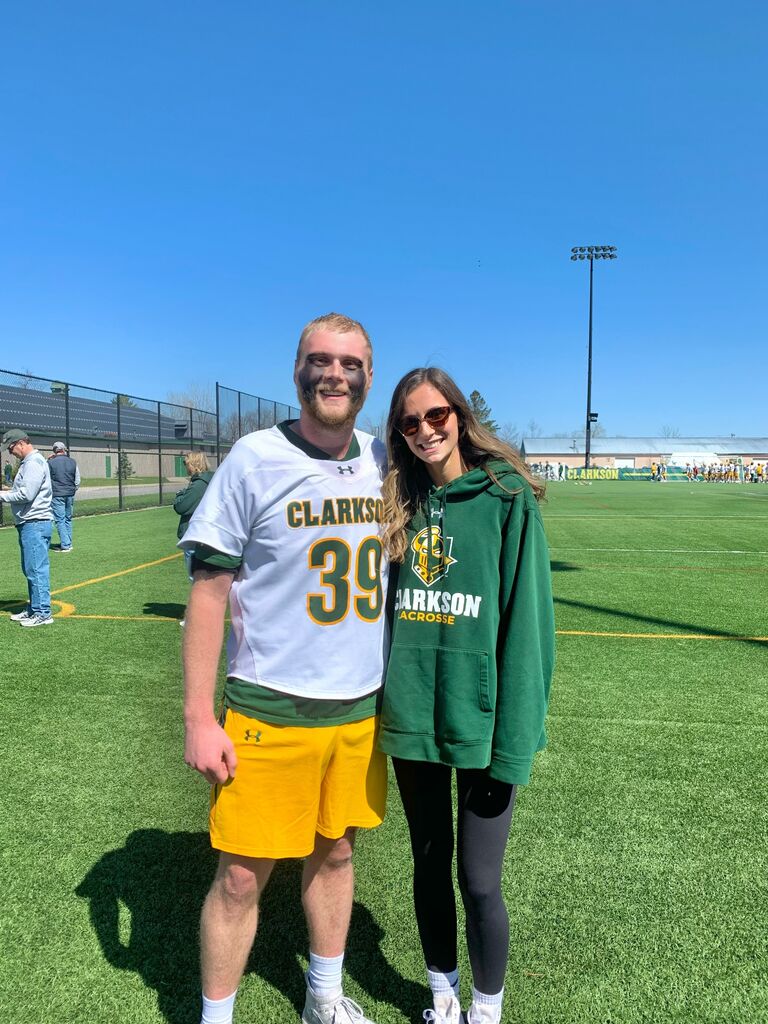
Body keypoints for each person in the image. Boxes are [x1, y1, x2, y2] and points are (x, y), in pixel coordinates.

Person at [180, 313, 389, 1024]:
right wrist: (199, 716)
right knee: (241, 879)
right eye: (320, 361)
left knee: (335, 858)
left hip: (360, 708)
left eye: (351, 363)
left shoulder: (386, 457)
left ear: (369, 375)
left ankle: (323, 997)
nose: (335, 374)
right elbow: (208, 590)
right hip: (270, 708)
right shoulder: (253, 457)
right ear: (297, 370)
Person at [378, 368, 555, 1024]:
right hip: (412, 717)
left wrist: (515, 744)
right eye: (409, 422)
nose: (425, 430)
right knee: (429, 864)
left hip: (483, 724)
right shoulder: (397, 501)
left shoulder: (508, 499)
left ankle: (486, 1011)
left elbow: (530, 632)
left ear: (459, 415)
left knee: (479, 881)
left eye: (435, 415)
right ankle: (444, 997)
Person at [0, 428, 55, 627]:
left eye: (11, 447)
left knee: (36, 569)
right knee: (31, 569)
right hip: (30, 523)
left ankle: (43, 613)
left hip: (35, 523)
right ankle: (35, 608)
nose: (10, 452)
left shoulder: (33, 463)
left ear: (22, 443)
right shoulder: (30, 462)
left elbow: (26, 495)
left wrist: (2, 495)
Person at [173, 451, 214, 597]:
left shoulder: (199, 485)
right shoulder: (210, 481)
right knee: (206, 577)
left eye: (187, 463)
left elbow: (181, 506)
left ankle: (197, 617)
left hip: (195, 535)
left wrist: (179, 495)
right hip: (206, 534)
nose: (186, 467)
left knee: (195, 577)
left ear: (194, 464)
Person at [48, 441, 80, 551]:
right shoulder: (73, 462)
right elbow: (77, 481)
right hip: (70, 494)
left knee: (60, 520)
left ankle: (65, 545)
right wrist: (72, 490)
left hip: (57, 494)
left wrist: (48, 460)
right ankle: (68, 542)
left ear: (54, 451)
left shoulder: (51, 463)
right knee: (68, 519)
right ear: (64, 449)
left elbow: (45, 478)